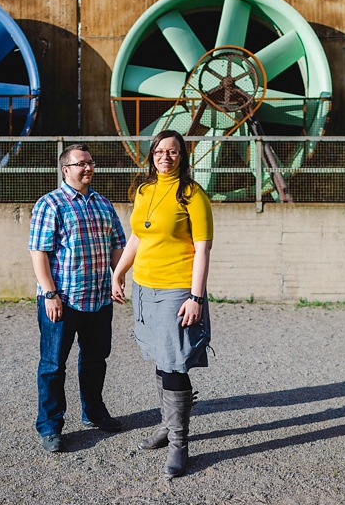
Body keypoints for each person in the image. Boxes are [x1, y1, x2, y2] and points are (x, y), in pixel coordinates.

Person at [111, 129, 213, 478]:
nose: (165, 157)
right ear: (151, 155)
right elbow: (138, 235)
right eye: (159, 151)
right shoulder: (144, 190)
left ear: (182, 156)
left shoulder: (192, 195)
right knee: (158, 357)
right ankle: (167, 426)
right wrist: (119, 272)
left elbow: (203, 249)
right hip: (144, 287)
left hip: (176, 289)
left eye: (172, 152)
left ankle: (179, 444)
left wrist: (196, 296)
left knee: (174, 364)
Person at [29, 143, 127, 453]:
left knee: (96, 360)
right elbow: (39, 251)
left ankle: (94, 412)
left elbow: (117, 244)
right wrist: (49, 293)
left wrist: (117, 277)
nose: (88, 168)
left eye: (90, 163)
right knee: (53, 365)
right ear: (65, 169)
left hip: (98, 299)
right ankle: (50, 426)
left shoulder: (102, 204)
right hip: (62, 301)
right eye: (81, 163)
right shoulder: (51, 204)